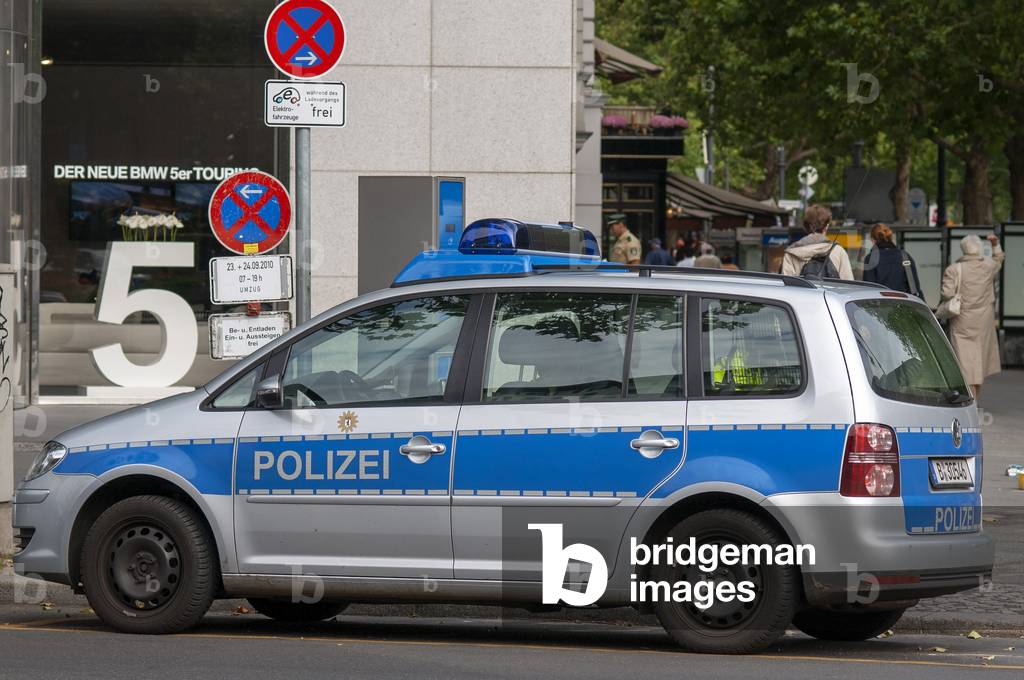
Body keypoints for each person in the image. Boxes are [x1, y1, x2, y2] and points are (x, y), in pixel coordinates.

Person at [942, 234, 1004, 400]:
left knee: (965, 361)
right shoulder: (988, 266)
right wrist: (995, 243)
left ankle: (971, 400)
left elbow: (947, 293)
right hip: (984, 321)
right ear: (978, 248)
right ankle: (975, 397)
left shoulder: (954, 269)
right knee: (978, 360)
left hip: (962, 320)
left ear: (963, 249)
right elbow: (999, 259)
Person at [780, 204, 854, 280]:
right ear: (827, 226)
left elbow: (787, 286)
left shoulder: (791, 253)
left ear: (805, 226)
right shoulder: (839, 251)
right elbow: (849, 286)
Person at [862, 223, 922, 296]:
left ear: (873, 240)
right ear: (890, 238)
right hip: (903, 305)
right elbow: (915, 288)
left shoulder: (871, 258)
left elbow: (868, 290)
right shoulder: (905, 257)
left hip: (880, 305)